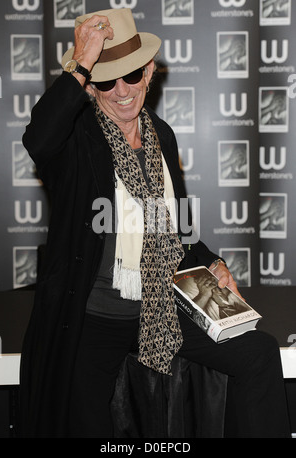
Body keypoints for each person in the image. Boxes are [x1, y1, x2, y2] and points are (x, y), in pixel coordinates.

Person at [19, 8, 291, 438]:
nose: (122, 91)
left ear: (149, 72)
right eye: (106, 81)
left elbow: (177, 225)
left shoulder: (161, 134)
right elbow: (38, 137)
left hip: (161, 306)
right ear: (91, 88)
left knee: (258, 353)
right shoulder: (77, 139)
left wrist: (214, 264)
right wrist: (80, 63)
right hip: (92, 316)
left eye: (131, 76)